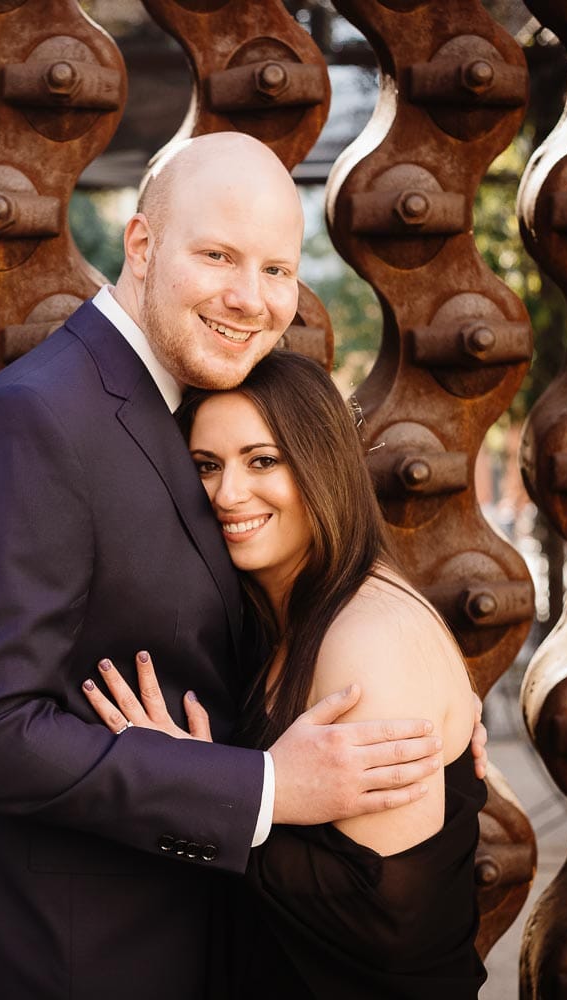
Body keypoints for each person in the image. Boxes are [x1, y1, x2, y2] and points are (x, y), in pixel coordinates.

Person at [0, 132, 484, 999]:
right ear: (141, 246)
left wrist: (424, 702)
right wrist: (262, 786)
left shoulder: (188, 410)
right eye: (217, 255)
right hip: (60, 961)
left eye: (278, 271)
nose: (249, 299)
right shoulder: (35, 422)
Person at [85, 350, 486, 998]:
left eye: (262, 459)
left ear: (322, 463)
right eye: (206, 466)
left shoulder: (368, 639)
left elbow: (388, 923)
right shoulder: (284, 615)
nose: (228, 493)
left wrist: (197, 789)